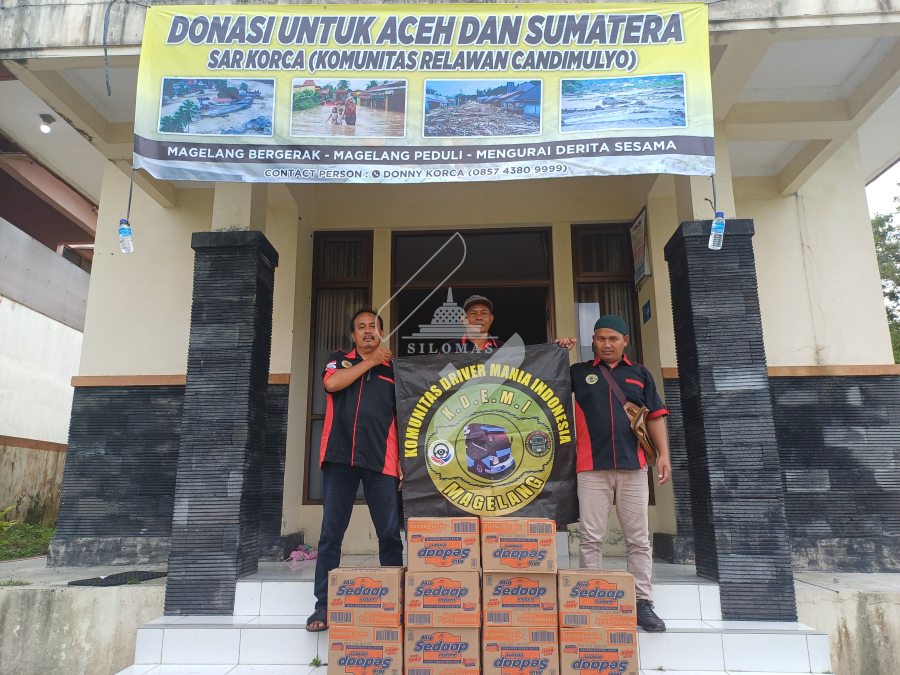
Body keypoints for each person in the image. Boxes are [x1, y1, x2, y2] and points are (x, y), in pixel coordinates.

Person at [569, 314, 672, 633]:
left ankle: (643, 602)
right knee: (590, 538)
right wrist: (558, 350)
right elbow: (545, 382)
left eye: (613, 338)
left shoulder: (640, 374)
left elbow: (655, 416)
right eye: (601, 338)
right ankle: (592, 600)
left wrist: (664, 454)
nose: (607, 344)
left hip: (634, 467)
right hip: (591, 467)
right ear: (593, 341)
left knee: (638, 539)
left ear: (625, 341)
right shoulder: (578, 372)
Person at [306, 308, 402, 632]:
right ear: (353, 335)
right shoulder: (338, 360)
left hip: (382, 458)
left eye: (373, 326)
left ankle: (395, 601)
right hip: (339, 458)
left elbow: (403, 416)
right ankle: (323, 606)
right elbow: (332, 384)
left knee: (389, 534)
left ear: (382, 333)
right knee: (331, 535)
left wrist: (403, 460)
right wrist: (371, 362)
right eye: (361, 327)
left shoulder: (394, 370)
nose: (367, 331)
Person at [442, 294, 577, 353]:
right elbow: (436, 382)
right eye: (473, 313)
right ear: (464, 319)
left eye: (484, 313)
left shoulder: (504, 350)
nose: (479, 317)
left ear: (491, 319)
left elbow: (529, 372)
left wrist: (557, 351)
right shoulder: (449, 349)